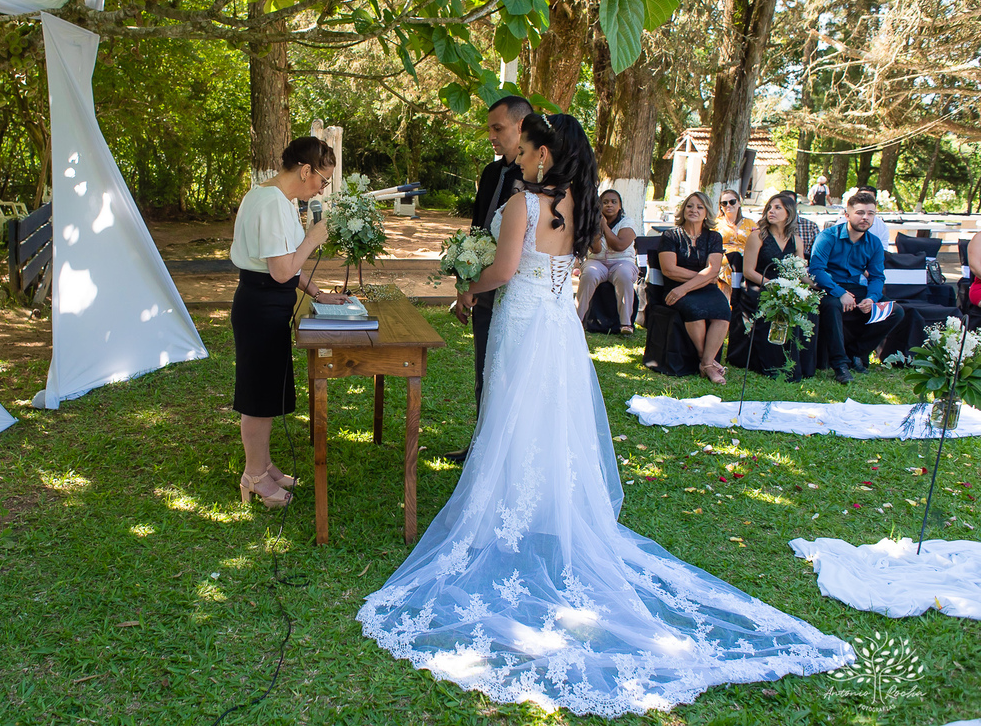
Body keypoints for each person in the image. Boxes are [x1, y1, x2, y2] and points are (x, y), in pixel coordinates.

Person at [357, 112, 852, 718]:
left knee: (513, 415)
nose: (515, 155)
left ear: (542, 151)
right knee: (548, 419)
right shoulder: (580, 206)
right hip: (559, 328)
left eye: (525, 147)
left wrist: (469, 281)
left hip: (521, 321)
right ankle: (547, 512)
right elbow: (575, 262)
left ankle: (508, 515)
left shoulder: (525, 204)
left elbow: (508, 270)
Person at [229, 136, 350, 507]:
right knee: (257, 396)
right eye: (322, 180)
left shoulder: (268, 196)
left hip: (267, 303)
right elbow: (282, 270)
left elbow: (285, 263)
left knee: (267, 390)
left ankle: (264, 466)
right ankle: (253, 477)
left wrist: (318, 294)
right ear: (304, 170)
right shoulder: (272, 204)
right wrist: (314, 237)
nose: (321, 188)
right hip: (261, 305)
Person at [444, 95, 532, 463]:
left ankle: (512, 453)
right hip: (481, 282)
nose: (492, 136)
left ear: (521, 127)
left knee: (515, 371)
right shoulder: (491, 172)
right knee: (485, 368)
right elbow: (478, 228)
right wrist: (465, 281)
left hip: (519, 286)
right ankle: (482, 446)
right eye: (489, 129)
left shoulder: (534, 179)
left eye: (498, 128)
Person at [809, 190, 904, 384]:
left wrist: (872, 298)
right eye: (860, 212)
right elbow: (817, 270)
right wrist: (840, 292)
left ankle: (857, 353)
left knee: (895, 311)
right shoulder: (828, 237)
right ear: (847, 215)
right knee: (832, 305)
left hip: (856, 288)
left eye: (870, 213)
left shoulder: (874, 243)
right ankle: (840, 364)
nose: (865, 218)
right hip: (828, 286)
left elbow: (877, 276)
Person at [730, 194, 808, 378]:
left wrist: (813, 287)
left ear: (789, 213)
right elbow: (748, 271)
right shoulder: (758, 236)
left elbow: (801, 272)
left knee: (804, 306)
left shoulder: (796, 240)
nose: (771, 211)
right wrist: (772, 284)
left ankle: (793, 362)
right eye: (770, 207)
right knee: (771, 304)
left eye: (778, 207)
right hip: (758, 285)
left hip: (786, 287)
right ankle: (768, 362)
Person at [659, 192, 733, 384]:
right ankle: (708, 362)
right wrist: (703, 278)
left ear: (707, 212)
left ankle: (706, 363)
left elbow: (713, 269)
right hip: (675, 287)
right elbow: (669, 270)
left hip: (699, 289)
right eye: (690, 206)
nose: (694, 210)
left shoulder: (714, 237)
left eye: (700, 207)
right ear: (683, 210)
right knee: (695, 311)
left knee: (723, 312)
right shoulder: (670, 235)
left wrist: (691, 285)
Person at [576, 189, 637, 334]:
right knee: (589, 273)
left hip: (622, 262)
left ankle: (626, 324)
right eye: (605, 202)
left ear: (620, 206)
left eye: (613, 202)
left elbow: (619, 245)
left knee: (624, 274)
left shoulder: (627, 222)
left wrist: (605, 226)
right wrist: (597, 226)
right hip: (596, 261)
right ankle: (577, 319)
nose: (609, 205)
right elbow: (596, 249)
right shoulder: (592, 222)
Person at [714, 188, 756, 300]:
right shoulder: (715, 223)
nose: (728, 205)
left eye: (732, 202)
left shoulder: (750, 223)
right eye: (724, 203)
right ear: (721, 206)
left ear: (738, 203)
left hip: (745, 259)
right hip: (723, 260)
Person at [779, 189, 820, 260]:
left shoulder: (810, 226)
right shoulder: (770, 226)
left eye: (789, 203)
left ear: (796, 205)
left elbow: (818, 252)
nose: (786, 207)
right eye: (782, 204)